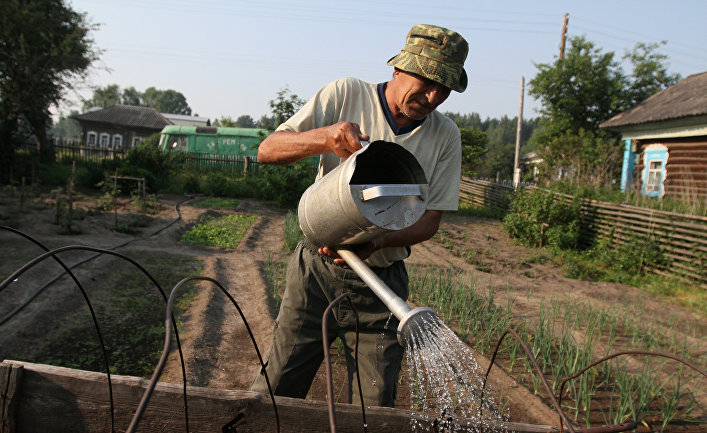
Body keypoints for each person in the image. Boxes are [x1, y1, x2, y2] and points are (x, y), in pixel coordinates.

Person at [250, 24, 469, 407]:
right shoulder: (346, 93)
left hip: (381, 286)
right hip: (315, 274)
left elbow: (430, 219)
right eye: (426, 80)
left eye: (444, 88)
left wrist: (379, 240)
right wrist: (324, 137)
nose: (433, 95)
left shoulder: (445, 134)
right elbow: (268, 149)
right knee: (278, 387)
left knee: (374, 404)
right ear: (399, 69)